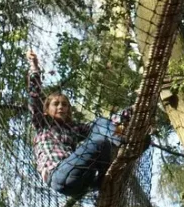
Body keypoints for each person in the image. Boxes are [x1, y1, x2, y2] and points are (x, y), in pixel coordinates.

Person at [27, 50, 131, 196]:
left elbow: (105, 125)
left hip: (81, 179)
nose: (61, 107)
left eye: (64, 104)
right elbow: (34, 96)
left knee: (100, 123)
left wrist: (131, 112)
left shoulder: (74, 128)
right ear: (46, 110)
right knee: (101, 143)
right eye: (56, 104)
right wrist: (34, 67)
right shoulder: (42, 124)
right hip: (58, 174)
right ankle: (109, 171)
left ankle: (108, 172)